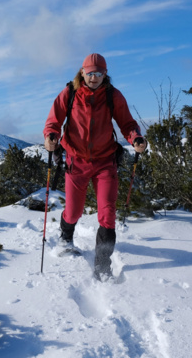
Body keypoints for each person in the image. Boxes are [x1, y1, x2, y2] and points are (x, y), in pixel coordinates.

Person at [43, 53, 147, 281]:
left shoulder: (113, 96)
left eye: (98, 73)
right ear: (82, 72)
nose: (94, 77)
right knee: (73, 211)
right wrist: (51, 135)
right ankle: (65, 236)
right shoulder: (69, 93)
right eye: (90, 73)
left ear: (105, 74)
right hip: (76, 161)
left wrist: (136, 138)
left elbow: (127, 123)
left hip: (105, 162)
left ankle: (102, 264)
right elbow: (54, 120)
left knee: (108, 215)